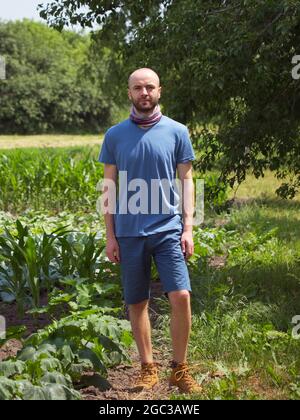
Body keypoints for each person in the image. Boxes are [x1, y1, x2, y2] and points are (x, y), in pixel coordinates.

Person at [98, 68, 201, 394]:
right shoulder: (115, 135)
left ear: (160, 91)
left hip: (168, 228)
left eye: (150, 87)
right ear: (129, 93)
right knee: (137, 301)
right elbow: (108, 187)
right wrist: (110, 235)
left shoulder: (177, 131)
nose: (144, 92)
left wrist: (188, 227)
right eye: (138, 88)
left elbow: (187, 181)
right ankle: (147, 368)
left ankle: (179, 368)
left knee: (181, 295)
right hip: (128, 233)